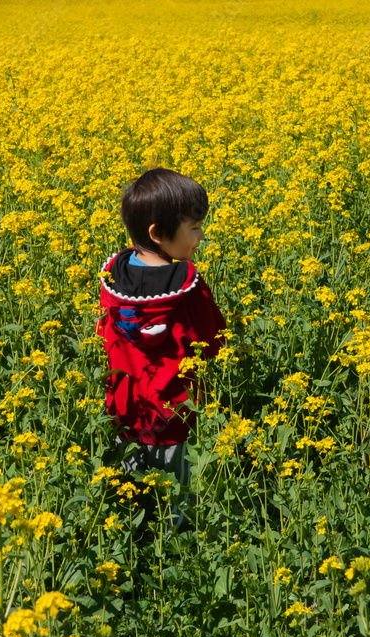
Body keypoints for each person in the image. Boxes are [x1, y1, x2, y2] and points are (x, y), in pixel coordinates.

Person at [97, 168, 226, 528]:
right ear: (158, 234)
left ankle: (134, 545)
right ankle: (175, 558)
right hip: (173, 415)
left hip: (123, 413)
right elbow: (213, 339)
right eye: (195, 227)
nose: (201, 236)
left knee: (130, 499)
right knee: (175, 505)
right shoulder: (187, 288)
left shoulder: (112, 282)